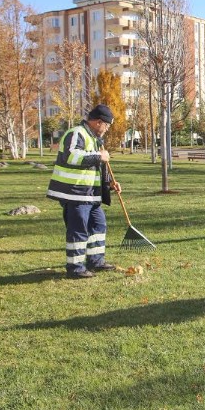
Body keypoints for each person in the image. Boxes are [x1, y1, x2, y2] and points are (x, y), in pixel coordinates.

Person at [47, 104, 121, 279]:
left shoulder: (95, 139)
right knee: (78, 229)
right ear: (97, 122)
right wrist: (98, 156)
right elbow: (71, 156)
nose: (107, 129)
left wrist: (110, 183)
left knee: (98, 224)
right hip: (74, 193)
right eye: (107, 125)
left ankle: (96, 261)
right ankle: (75, 268)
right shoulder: (76, 133)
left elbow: (95, 169)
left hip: (90, 194)